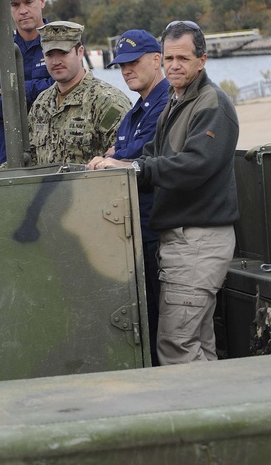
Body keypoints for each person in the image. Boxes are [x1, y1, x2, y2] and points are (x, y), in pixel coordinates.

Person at [90, 21, 238, 365]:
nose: (174, 65)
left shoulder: (211, 103)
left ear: (202, 60)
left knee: (176, 347)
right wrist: (116, 164)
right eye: (170, 57)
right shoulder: (177, 103)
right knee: (198, 343)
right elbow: (154, 154)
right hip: (184, 240)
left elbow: (195, 165)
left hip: (198, 240)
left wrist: (133, 168)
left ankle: (198, 417)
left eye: (182, 58)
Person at [88, 29, 168, 363]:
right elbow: (119, 148)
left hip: (154, 228)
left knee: (155, 318)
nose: (126, 70)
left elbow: (143, 151)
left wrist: (117, 157)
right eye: (121, 64)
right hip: (133, 228)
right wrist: (116, 156)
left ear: (156, 59)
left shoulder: (165, 103)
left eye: (134, 62)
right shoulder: (139, 109)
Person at [27, 21, 130, 166]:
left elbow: (124, 159)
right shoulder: (41, 104)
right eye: (49, 54)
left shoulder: (107, 102)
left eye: (63, 53)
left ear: (80, 52)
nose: (56, 61)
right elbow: (28, 160)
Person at [0, 0, 54, 163]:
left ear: (42, 1)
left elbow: (66, 90)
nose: (23, 11)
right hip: (11, 155)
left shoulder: (60, 43)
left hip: (55, 152)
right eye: (15, 5)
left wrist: (14, 91)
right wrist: (42, 88)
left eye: (29, 2)